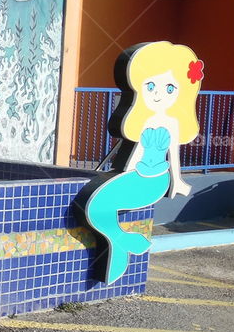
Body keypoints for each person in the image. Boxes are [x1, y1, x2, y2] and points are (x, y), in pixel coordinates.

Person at [79, 41, 203, 283]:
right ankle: (122, 242)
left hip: (154, 181)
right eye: (151, 86)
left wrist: (177, 182)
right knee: (95, 207)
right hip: (134, 175)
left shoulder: (172, 123)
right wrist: (122, 172)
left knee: (97, 206)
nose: (159, 94)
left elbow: (173, 155)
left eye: (170, 88)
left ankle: (121, 243)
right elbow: (134, 156)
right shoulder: (144, 120)